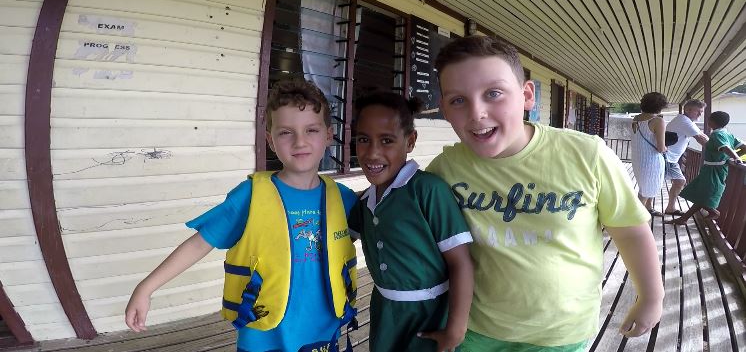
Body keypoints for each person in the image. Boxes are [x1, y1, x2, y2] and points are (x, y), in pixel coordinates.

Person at [426, 36, 664, 351]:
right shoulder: (444, 170)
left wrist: (650, 295)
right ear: (443, 108)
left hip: (561, 333)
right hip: (476, 328)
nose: (477, 112)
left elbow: (630, 231)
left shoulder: (585, 154)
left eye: (494, 93)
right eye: (458, 100)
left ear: (527, 95)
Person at [125, 79, 359, 352]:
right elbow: (200, 242)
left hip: (323, 330)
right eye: (286, 132)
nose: (300, 141)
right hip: (263, 332)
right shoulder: (251, 196)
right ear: (270, 140)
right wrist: (146, 287)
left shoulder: (344, 199)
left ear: (329, 135)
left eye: (311, 130)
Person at [348, 91, 474, 352]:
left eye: (386, 140)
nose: (373, 153)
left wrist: (455, 329)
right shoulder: (364, 202)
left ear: (410, 141)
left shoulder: (428, 191)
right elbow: (338, 239)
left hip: (429, 316)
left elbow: (460, 262)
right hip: (385, 311)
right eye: (363, 139)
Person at [665, 111, 745, 225]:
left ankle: (712, 212)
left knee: (704, 194)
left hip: (713, 170)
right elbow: (744, 147)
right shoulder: (728, 134)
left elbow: (725, 147)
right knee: (701, 193)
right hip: (714, 168)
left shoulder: (717, 135)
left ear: (711, 122)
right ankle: (684, 219)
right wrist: (729, 159)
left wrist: (736, 158)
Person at [663, 99, 709, 215]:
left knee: (677, 181)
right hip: (666, 157)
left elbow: (702, 136)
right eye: (698, 111)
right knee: (679, 181)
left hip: (668, 157)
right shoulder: (684, 121)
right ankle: (653, 208)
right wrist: (720, 149)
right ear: (688, 110)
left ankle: (669, 208)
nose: (700, 114)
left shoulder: (686, 121)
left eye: (701, 112)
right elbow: (701, 139)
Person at [630, 92, 669, 216]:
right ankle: (637, 218)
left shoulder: (635, 119)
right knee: (646, 190)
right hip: (651, 160)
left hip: (637, 158)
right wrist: (667, 148)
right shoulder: (658, 121)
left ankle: (648, 208)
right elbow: (660, 148)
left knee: (645, 186)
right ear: (660, 106)